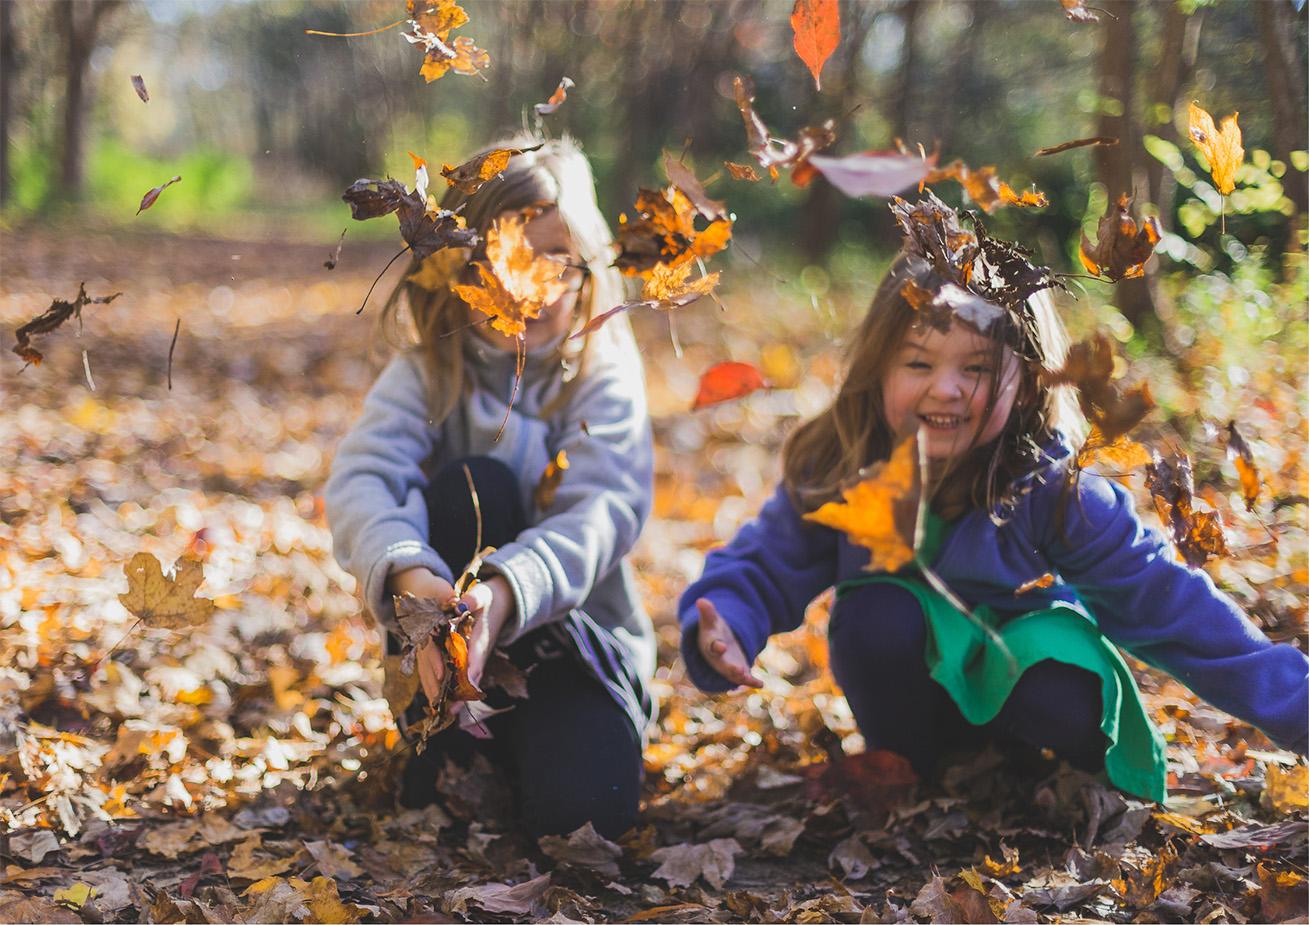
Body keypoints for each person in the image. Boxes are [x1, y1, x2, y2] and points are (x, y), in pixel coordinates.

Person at [679, 196, 1308, 802]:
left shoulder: (1056, 489)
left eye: (976, 369)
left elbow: (1171, 607)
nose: (945, 389)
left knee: (1055, 672)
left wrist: (1298, 709)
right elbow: (765, 562)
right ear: (879, 369)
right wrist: (730, 621)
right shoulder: (845, 465)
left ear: (1030, 382)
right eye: (918, 364)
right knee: (876, 615)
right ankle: (915, 767)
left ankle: (1038, 775)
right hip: (913, 698)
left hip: (1033, 693)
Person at [325, 136, 655, 838]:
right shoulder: (428, 373)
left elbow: (602, 509)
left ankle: (550, 746)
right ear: (455, 268)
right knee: (473, 484)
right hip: (444, 657)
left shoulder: (600, 373)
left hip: (574, 651)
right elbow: (363, 477)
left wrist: (503, 594)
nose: (525, 286)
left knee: (585, 820)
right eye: (499, 258)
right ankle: (446, 737)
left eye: (551, 261)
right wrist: (412, 572)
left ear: (585, 266)